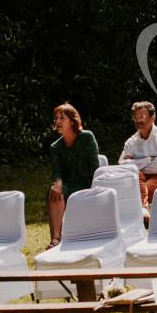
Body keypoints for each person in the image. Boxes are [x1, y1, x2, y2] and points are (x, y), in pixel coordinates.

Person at [47, 102, 99, 248]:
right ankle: (56, 239)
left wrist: (96, 189)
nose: (57, 122)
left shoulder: (87, 137)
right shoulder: (55, 147)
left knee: (60, 191)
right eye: (55, 119)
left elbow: (95, 168)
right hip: (69, 188)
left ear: (72, 120)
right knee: (54, 192)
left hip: (89, 185)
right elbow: (57, 173)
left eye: (61, 118)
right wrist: (57, 183)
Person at [119, 101, 157, 208]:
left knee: (135, 192)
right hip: (136, 178)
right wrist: (148, 159)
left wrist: (135, 164)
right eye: (135, 117)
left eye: (142, 116)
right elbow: (122, 164)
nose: (138, 120)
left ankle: (142, 210)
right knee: (134, 179)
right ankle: (143, 211)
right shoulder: (130, 142)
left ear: (152, 117)